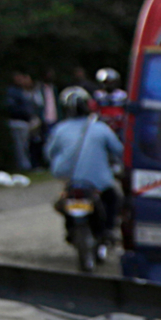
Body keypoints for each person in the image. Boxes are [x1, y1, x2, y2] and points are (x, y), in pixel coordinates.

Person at [44, 85, 123, 242]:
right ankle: (107, 230)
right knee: (114, 199)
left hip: (69, 180)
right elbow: (119, 150)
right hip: (98, 183)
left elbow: (49, 153)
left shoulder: (60, 130)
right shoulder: (101, 128)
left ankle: (71, 229)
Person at [4, 72, 43, 172]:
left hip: (26, 122)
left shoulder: (22, 91)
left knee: (26, 146)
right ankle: (23, 167)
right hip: (18, 122)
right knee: (20, 147)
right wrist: (25, 113)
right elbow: (12, 108)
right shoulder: (13, 92)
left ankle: (28, 165)